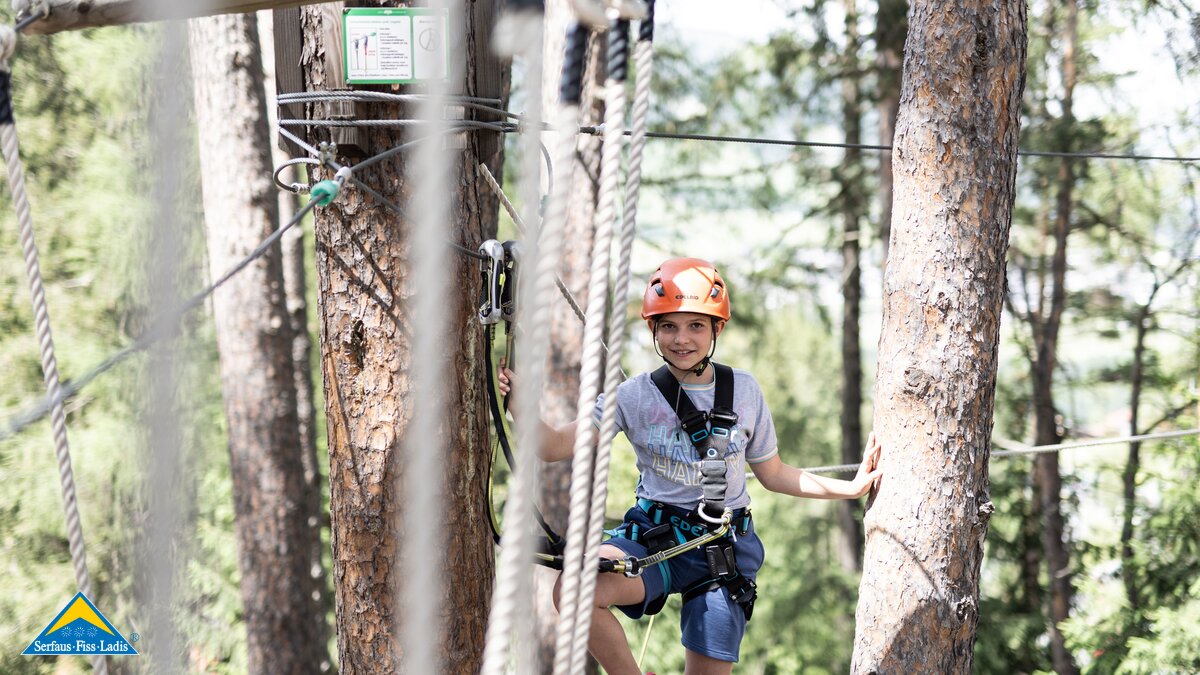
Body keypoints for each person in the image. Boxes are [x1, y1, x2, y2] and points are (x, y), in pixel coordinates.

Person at [498, 257, 883, 675]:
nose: (681, 339)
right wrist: (521, 404)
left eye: (696, 325)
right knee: (574, 590)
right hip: (654, 536)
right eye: (669, 326)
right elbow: (555, 445)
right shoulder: (634, 396)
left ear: (717, 329)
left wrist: (850, 489)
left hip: (722, 549)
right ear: (654, 331)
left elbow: (774, 474)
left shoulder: (744, 392)